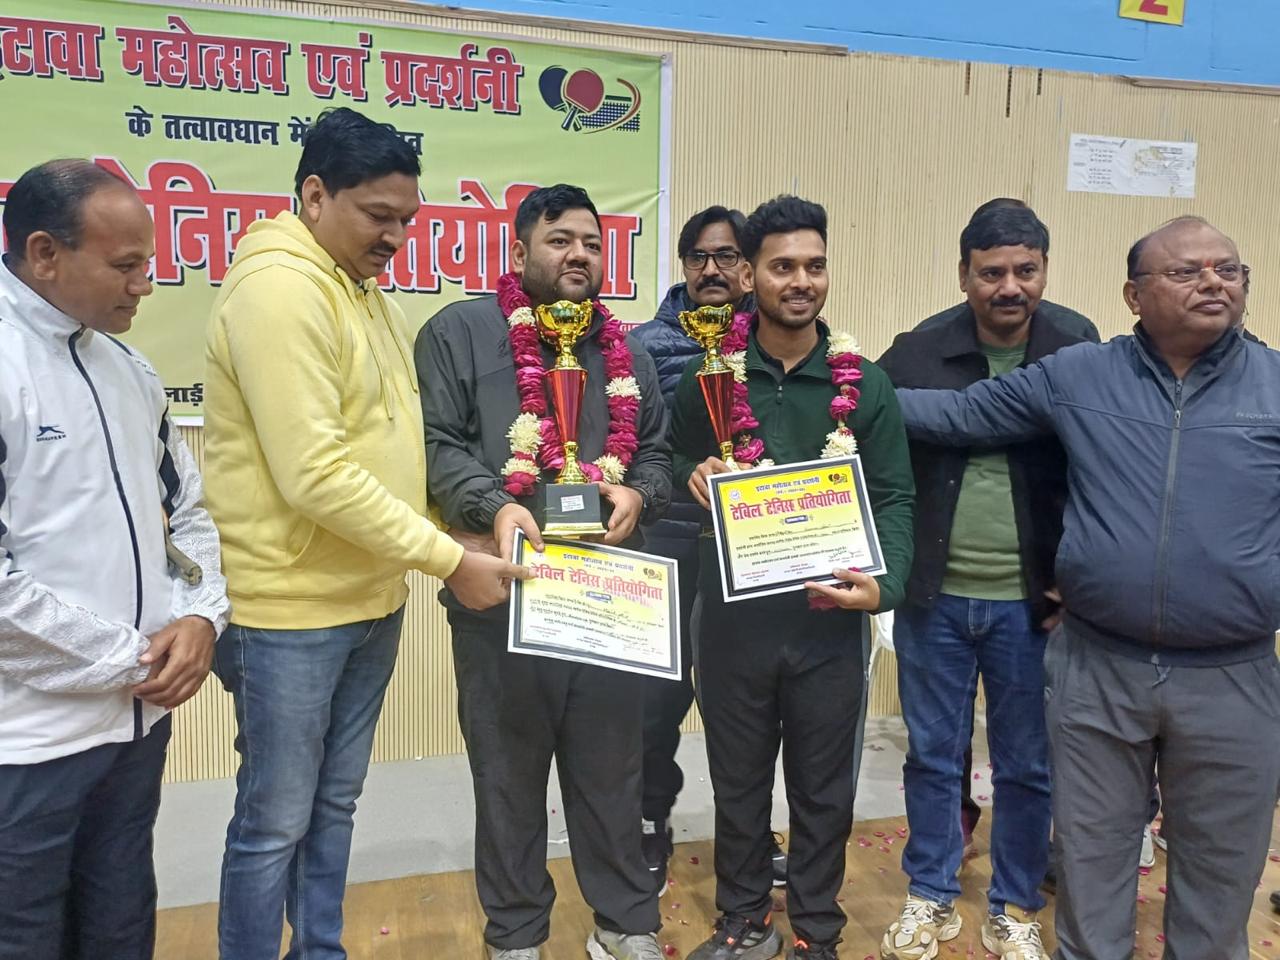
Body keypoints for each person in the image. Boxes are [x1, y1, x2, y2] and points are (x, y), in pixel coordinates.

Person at [895, 215, 1280, 960]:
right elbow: (959, 415)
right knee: (1092, 868)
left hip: (1234, 675)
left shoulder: (1275, 385)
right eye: (1187, 271)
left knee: (1219, 881)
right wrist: (836, 392)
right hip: (1099, 667)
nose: (1213, 283)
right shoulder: (1080, 374)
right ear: (1134, 295)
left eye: (1228, 270)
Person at [203, 107, 522, 960]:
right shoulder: (280, 291)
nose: (396, 238)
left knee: (332, 805)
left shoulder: (365, 293)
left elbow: (389, 451)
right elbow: (315, 474)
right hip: (288, 613)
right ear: (315, 195)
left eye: (407, 220)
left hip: (368, 599)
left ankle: (320, 950)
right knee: (274, 822)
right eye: (379, 216)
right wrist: (447, 560)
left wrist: (455, 529)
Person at [416, 183, 673, 960]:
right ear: (520, 249)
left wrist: (639, 492)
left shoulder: (626, 350)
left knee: (613, 773)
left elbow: (655, 451)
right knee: (507, 776)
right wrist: (495, 504)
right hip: (503, 595)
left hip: (607, 599)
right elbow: (435, 444)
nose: (580, 255)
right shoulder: (459, 333)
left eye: (592, 242)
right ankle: (517, 934)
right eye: (561, 240)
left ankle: (624, 924)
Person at [672, 196, 915, 960]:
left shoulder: (863, 384)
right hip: (733, 622)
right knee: (738, 784)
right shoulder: (710, 377)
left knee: (823, 789)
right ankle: (744, 919)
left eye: (815, 265)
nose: (801, 280)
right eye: (782, 266)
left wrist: (885, 589)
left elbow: (896, 496)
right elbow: (670, 456)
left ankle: (817, 928)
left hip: (827, 624)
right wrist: (692, 472)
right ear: (749, 275)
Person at [0, 159, 229, 960]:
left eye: (148, 262)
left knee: (120, 926)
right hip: (26, 745)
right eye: (126, 265)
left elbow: (187, 513)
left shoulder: (129, 372)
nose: (146, 285)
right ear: (44, 253)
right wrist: (131, 655)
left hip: (134, 729)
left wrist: (201, 616)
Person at [876, 203, 1095, 960]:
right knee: (933, 754)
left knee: (1027, 765)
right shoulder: (916, 351)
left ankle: (1014, 905)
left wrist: (1080, 576)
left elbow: (1101, 474)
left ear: (1045, 270)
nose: (1010, 287)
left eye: (1025, 270)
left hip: (1035, 605)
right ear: (963, 274)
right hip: (933, 597)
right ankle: (930, 893)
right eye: (992, 272)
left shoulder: (1078, 348)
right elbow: (870, 453)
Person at [630, 206, 786, 891]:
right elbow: (642, 444)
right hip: (668, 536)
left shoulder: (776, 339)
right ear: (684, 265)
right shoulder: (644, 345)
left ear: (747, 267)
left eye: (727, 256)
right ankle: (648, 822)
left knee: (748, 701)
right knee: (655, 700)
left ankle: (750, 835)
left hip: (751, 544)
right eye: (699, 256)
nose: (712, 269)